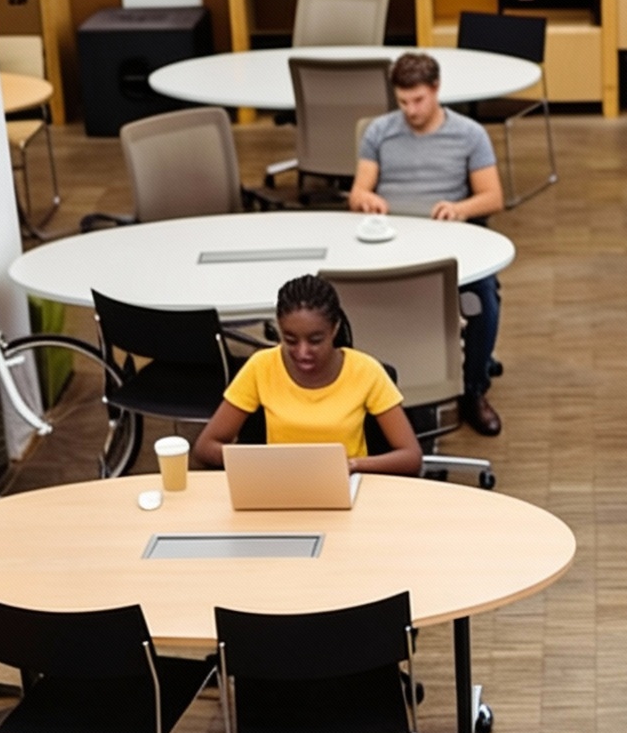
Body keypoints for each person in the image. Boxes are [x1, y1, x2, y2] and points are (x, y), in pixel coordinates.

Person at [349, 50, 506, 436]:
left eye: (418, 100)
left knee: (483, 298)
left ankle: (473, 390)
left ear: (435, 89)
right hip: (392, 237)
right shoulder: (380, 132)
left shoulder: (469, 134)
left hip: (448, 239)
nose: (411, 110)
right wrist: (367, 200)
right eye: (403, 102)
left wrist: (460, 207)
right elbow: (357, 193)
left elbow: (493, 197)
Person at [194, 272, 423, 478]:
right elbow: (206, 447)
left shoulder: (366, 371)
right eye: (290, 340)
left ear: (334, 329)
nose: (302, 353)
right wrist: (260, 461)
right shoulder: (261, 367)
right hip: (278, 486)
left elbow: (410, 457)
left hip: (347, 486)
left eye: (315, 341)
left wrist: (352, 465)